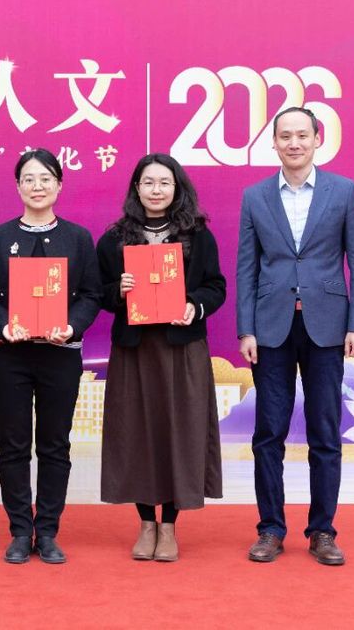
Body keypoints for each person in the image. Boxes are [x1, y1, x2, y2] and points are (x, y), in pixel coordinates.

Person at [237, 106, 354, 567]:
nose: (293, 143)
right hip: (270, 327)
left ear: (317, 139)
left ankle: (323, 530)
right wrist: (246, 328)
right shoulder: (255, 196)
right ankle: (270, 529)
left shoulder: (344, 191)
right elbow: (246, 268)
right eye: (285, 136)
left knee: (325, 432)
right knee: (268, 433)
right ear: (273, 142)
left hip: (328, 326)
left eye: (302, 135)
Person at [0, 149, 101, 564]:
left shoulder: (78, 238)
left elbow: (93, 294)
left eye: (46, 178)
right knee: (12, 445)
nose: (37, 186)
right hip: (8, 356)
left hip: (60, 356)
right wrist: (2, 325)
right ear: (18, 186)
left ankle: (47, 531)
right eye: (29, 179)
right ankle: (18, 531)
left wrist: (73, 326)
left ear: (59, 185)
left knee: (54, 445)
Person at [96, 153, 226, 562]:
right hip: (134, 349)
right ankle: (145, 523)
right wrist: (118, 290)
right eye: (148, 183)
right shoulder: (115, 238)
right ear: (136, 189)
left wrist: (193, 305)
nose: (156, 190)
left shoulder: (198, 236)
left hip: (180, 348)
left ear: (177, 188)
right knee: (136, 432)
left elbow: (216, 287)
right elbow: (97, 293)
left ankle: (169, 525)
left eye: (164, 183)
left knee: (178, 432)